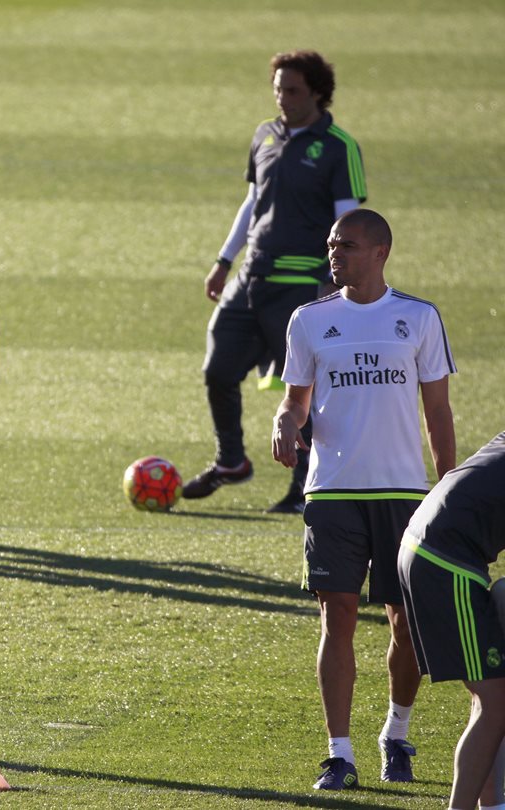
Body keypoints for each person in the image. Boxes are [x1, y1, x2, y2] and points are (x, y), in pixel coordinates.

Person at [271, 209, 457, 790]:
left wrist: (450, 486)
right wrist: (285, 418)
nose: (335, 253)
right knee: (339, 616)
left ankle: (396, 734)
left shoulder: (419, 318)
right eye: (331, 244)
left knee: (406, 626)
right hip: (332, 491)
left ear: (380, 251)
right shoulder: (309, 320)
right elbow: (298, 398)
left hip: (404, 493)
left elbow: (438, 410)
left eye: (346, 245)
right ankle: (339, 753)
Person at [185, 50, 367, 514]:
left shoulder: (338, 147)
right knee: (218, 369)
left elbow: (349, 220)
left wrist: (335, 277)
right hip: (250, 278)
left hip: (303, 283)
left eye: (293, 91)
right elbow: (252, 203)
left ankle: (303, 488)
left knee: (303, 388)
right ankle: (231, 460)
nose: (283, 99)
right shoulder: (265, 135)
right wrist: (224, 260)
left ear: (317, 93)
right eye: (278, 89)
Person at [398, 431, 505, 810]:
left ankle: (492, 805)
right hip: (444, 558)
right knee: (496, 702)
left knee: (490, 696)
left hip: (427, 546)